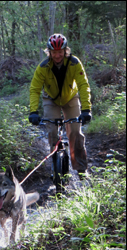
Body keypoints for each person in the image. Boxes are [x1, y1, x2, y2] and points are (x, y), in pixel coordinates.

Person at [29, 33, 92, 177]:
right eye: (54, 52)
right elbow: (35, 89)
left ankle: (81, 169)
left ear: (65, 51)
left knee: (75, 131)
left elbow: (83, 85)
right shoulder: (43, 67)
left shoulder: (74, 63)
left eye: (60, 52)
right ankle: (55, 167)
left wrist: (86, 109)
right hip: (50, 100)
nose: (57, 55)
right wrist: (33, 111)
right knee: (52, 131)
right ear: (49, 52)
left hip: (70, 98)